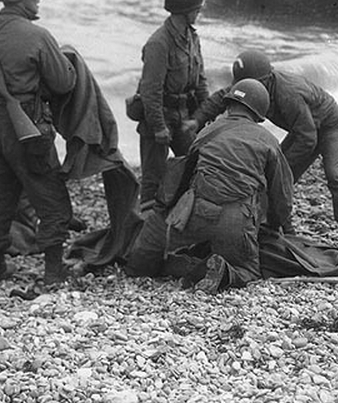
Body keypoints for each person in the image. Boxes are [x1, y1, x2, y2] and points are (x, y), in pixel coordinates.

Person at [125, 79, 293, 293]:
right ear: (259, 113)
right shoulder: (268, 141)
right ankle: (219, 271)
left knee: (140, 266)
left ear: (229, 104)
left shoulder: (207, 132)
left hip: (196, 213)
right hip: (235, 221)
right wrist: (276, 227)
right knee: (248, 270)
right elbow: (282, 197)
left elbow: (183, 178)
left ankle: (183, 265)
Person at [192, 49, 338, 250]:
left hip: (331, 126)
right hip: (303, 128)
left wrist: (281, 169)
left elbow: (308, 138)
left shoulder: (288, 93)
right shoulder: (255, 84)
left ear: (266, 80)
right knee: (275, 178)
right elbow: (225, 96)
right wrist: (196, 120)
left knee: (335, 176)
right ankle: (283, 228)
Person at [0, 0, 76, 284]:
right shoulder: (37, 35)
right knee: (50, 196)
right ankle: (53, 271)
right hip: (27, 127)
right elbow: (64, 83)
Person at [130, 0, 209, 210]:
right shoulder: (159, 43)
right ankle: (142, 232)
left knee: (196, 166)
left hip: (183, 116)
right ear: (184, 12)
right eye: (196, 9)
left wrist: (206, 116)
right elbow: (150, 90)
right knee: (152, 181)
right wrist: (157, 127)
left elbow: (201, 80)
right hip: (159, 117)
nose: (199, 12)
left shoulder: (192, 37)